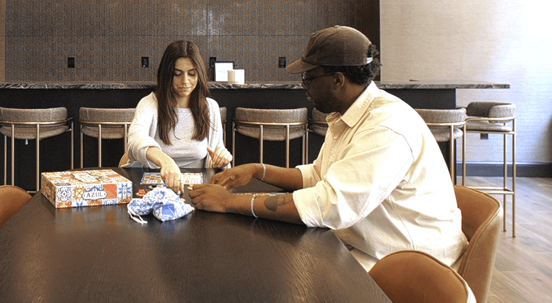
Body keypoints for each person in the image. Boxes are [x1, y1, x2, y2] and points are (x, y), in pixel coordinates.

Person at [188, 26, 467, 271]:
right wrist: (257, 170)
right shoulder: (349, 115)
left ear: (337, 80)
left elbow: (328, 205)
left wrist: (226, 202)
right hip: (371, 248)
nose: (303, 86)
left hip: (413, 263)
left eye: (309, 78)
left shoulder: (386, 127)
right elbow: (319, 176)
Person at [125, 40, 232, 192]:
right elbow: (135, 139)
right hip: (153, 189)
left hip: (196, 190)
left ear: (199, 75)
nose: (185, 81)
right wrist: (165, 161)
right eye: (177, 74)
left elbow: (217, 157)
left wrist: (222, 161)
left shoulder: (210, 107)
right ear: (167, 75)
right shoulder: (150, 103)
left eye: (192, 74)